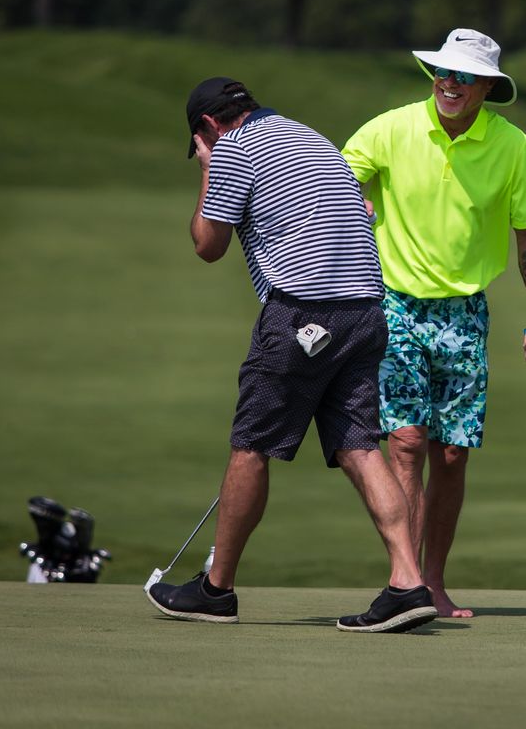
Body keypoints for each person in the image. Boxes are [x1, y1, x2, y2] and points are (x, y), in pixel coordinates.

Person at [147, 77, 437, 633]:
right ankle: (407, 581)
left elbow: (208, 245)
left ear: (207, 125)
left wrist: (208, 165)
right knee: (359, 445)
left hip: (302, 313)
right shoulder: (308, 135)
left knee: (251, 445)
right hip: (366, 312)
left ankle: (216, 588)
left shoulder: (231, 147)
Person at [341, 29, 526, 617]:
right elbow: (333, 178)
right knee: (406, 443)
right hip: (394, 304)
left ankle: (432, 580)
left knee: (453, 454)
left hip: (465, 313)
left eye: (464, 75)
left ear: (488, 86)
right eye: (443, 71)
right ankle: (405, 580)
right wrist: (357, 209)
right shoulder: (392, 127)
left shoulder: (512, 146)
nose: (449, 83)